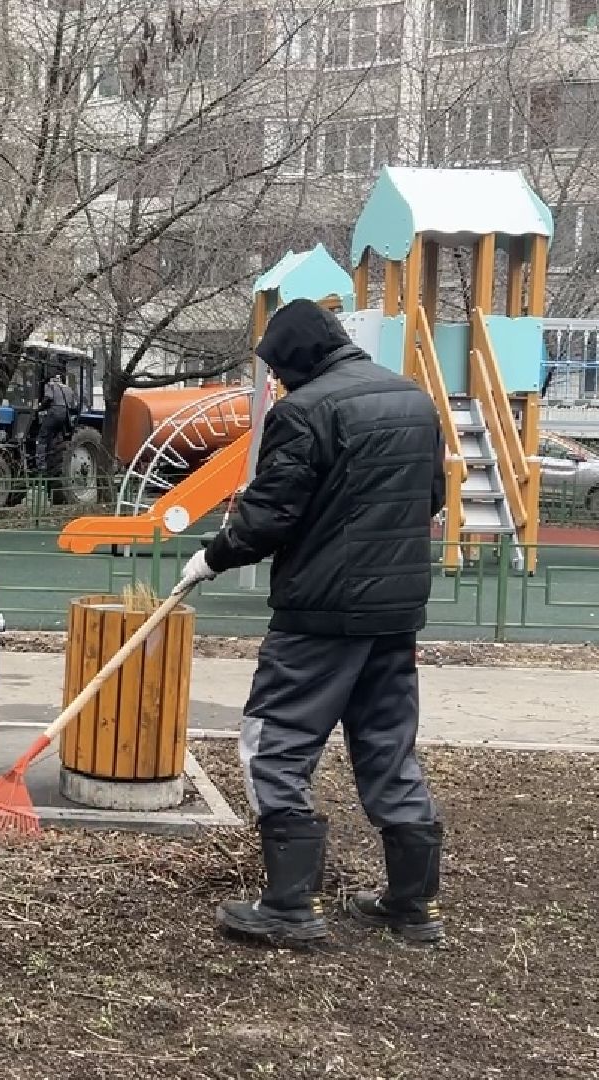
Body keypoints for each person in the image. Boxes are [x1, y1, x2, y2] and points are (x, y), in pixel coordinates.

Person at [177, 298, 447, 948]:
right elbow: (430, 497)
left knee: (274, 745)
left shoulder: (306, 410)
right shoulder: (413, 400)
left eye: (275, 370)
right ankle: (413, 909)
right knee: (386, 748)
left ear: (294, 359)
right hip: (393, 614)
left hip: (319, 615)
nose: (275, 383)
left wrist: (213, 556)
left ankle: (289, 907)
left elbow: (272, 514)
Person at [35, 370, 78, 477]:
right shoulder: (68, 389)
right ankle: (51, 459)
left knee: (42, 437)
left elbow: (48, 398)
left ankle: (40, 464)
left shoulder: (50, 386)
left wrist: (39, 407)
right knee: (55, 437)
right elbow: (72, 403)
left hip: (54, 412)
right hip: (65, 415)